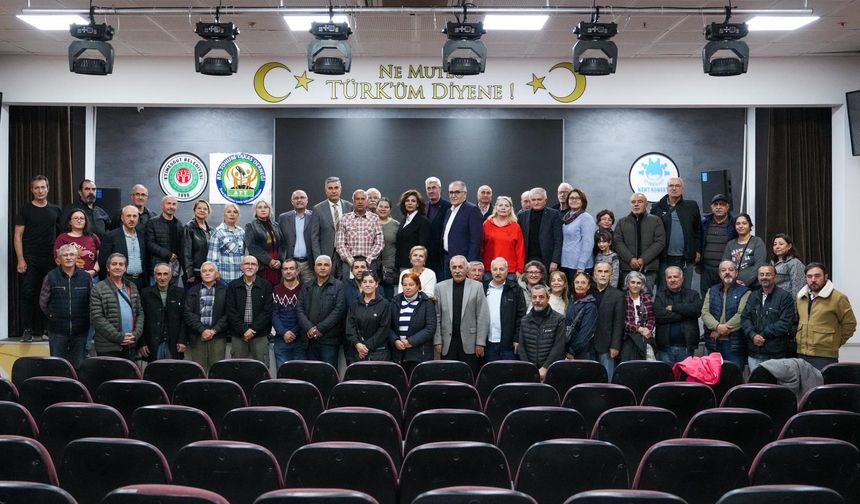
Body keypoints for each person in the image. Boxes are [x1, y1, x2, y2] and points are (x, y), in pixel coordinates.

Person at [15, 175, 62, 341]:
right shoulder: (25, 210)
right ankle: (27, 329)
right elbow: (18, 235)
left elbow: (62, 237)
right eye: (37, 188)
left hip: (50, 258)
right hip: (30, 258)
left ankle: (47, 329)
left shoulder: (56, 210)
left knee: (50, 294)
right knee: (28, 293)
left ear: (48, 189)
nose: (40, 191)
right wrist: (21, 259)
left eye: (43, 187)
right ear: (32, 190)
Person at [434, 255, 489, 376]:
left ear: (466, 269)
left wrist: (480, 342)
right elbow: (437, 316)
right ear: (450, 269)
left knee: (469, 376)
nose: (457, 270)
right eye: (454, 267)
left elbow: (482, 316)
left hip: (471, 342)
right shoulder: (440, 287)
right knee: (448, 376)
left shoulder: (477, 287)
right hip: (447, 342)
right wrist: (437, 340)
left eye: (460, 267)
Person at [795, 262, 857, 370]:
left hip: (825, 356)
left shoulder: (838, 298)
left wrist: (835, 342)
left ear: (826, 276)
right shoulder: (800, 297)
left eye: (817, 276)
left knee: (823, 386)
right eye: (809, 276)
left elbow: (850, 324)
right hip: (802, 353)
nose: (813, 279)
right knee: (805, 387)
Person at [39, 244, 91, 368]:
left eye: (72, 254)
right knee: (57, 367)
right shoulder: (51, 276)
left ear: (76, 257)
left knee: (79, 366)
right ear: (59, 259)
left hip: (80, 330)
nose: (68, 258)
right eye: (65, 255)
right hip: (57, 330)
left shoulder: (85, 277)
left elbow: (91, 301)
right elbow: (43, 302)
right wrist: (53, 315)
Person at [650, 177, 702, 289]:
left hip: (686, 258)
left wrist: (697, 250)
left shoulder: (691, 206)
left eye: (677, 186)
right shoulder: (656, 208)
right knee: (663, 290)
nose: (674, 188)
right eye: (671, 186)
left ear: (682, 189)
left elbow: (698, 230)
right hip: (664, 258)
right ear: (667, 189)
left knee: (685, 290)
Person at [741, 265, 796, 371]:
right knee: (756, 385)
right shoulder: (753, 296)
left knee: (776, 386)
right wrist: (753, 335)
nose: (764, 277)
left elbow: (785, 323)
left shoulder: (785, 297)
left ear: (775, 277)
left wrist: (762, 335)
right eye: (761, 275)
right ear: (758, 277)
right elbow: (745, 318)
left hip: (776, 354)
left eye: (768, 274)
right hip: (754, 353)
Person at [90, 253, 144, 360]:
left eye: (121, 264)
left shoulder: (132, 286)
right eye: (114, 264)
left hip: (130, 345)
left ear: (125, 268)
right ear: (108, 268)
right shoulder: (98, 288)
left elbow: (140, 313)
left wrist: (135, 334)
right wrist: (120, 337)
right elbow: (97, 318)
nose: (118, 267)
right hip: (108, 347)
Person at [297, 255, 346, 369]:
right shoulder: (307, 285)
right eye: (319, 265)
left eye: (326, 265)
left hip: (329, 340)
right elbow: (299, 308)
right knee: (312, 374)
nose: (322, 268)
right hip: (309, 339)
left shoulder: (338, 286)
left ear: (331, 268)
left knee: (329, 374)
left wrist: (319, 329)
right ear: (314, 268)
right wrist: (309, 327)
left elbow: (338, 311)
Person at [701, 260, 751, 370]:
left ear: (736, 273)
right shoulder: (711, 290)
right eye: (723, 270)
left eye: (731, 270)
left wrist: (719, 331)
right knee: (714, 378)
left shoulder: (745, 292)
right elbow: (705, 313)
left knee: (734, 378)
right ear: (719, 274)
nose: (727, 272)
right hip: (713, 344)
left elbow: (741, 315)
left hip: (735, 345)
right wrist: (717, 326)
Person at [225, 256, 273, 364]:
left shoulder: (266, 285)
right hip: (239, 334)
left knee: (262, 369)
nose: (250, 267)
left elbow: (267, 311)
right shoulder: (233, 286)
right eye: (247, 264)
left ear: (257, 268)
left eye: (253, 264)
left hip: (260, 334)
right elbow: (230, 311)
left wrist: (253, 330)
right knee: (237, 369)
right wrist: (244, 330)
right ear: (241, 267)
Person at [614, 192, 666, 291]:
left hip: (649, 268)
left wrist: (643, 259)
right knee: (627, 298)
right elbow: (617, 242)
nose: (636, 204)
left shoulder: (656, 221)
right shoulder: (622, 222)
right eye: (633, 202)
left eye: (640, 202)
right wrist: (630, 259)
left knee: (646, 297)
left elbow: (660, 242)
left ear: (646, 204)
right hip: (627, 268)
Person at [183, 261, 228, 371]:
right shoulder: (192, 291)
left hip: (217, 337)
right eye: (204, 271)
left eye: (210, 270)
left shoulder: (225, 290)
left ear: (216, 274)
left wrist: (213, 331)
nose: (207, 273)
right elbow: (187, 313)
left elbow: (228, 314)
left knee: (218, 371)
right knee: (199, 371)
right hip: (198, 336)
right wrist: (202, 330)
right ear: (200, 274)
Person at [653, 266, 703, 365]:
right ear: (666, 279)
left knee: (684, 379)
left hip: (686, 347)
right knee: (666, 378)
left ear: (682, 278)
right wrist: (686, 314)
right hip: (665, 348)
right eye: (669, 277)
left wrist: (674, 308)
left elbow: (696, 311)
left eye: (675, 277)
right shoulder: (660, 295)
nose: (672, 280)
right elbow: (659, 316)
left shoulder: (693, 295)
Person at [391, 272, 437, 375]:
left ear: (418, 286)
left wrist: (410, 342)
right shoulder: (395, 301)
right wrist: (395, 341)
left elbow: (430, 328)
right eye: (405, 285)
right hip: (398, 353)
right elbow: (388, 326)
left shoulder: (427, 302)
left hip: (420, 354)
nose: (407, 288)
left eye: (411, 285)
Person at [517, 284, 566, 381]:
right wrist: (529, 368)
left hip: (552, 370)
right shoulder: (525, 320)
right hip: (530, 372)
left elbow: (559, 347)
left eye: (541, 297)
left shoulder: (559, 319)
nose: (537, 300)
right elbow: (522, 347)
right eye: (534, 297)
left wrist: (545, 367)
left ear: (548, 298)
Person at [140, 262, 186, 361]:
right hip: (153, 342)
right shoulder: (145, 293)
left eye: (165, 274)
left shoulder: (180, 293)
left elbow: (184, 319)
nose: (162, 277)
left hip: (174, 343)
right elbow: (141, 319)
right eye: (159, 274)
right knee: (154, 373)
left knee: (174, 373)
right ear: (154, 276)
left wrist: (182, 340)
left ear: (170, 276)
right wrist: (142, 343)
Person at [336, 189, 384, 282]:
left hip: (369, 261)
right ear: (353, 201)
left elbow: (380, 243)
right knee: (348, 291)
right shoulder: (345, 218)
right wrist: (352, 262)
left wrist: (368, 261)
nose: (360, 201)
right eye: (357, 199)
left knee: (369, 290)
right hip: (349, 261)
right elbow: (340, 245)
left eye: (363, 199)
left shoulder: (374, 218)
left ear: (366, 201)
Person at [484, 257, 526, 362]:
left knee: (508, 375)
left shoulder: (515, 289)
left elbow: (521, 316)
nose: (498, 272)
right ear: (490, 270)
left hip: (509, 344)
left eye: (501, 269)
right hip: (488, 342)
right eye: (495, 269)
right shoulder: (483, 288)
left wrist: (517, 339)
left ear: (507, 271)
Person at [311, 176, 354, 278]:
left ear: (341, 189)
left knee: (346, 283)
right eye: (330, 188)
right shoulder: (318, 209)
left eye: (336, 187)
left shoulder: (350, 207)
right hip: (327, 254)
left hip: (347, 254)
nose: (333, 191)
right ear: (325, 190)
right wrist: (318, 259)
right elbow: (314, 237)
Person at [346, 271, 392, 363]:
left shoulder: (384, 304)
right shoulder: (354, 305)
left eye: (371, 282)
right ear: (361, 284)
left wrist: (366, 347)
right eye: (364, 282)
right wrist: (357, 344)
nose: (367, 285)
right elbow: (350, 327)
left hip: (379, 353)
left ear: (376, 284)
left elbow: (384, 329)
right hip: (357, 352)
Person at [99, 205, 148, 292]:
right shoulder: (111, 236)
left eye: (134, 216)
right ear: (122, 218)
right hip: (119, 282)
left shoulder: (143, 236)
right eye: (128, 216)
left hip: (141, 282)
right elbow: (103, 262)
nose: (132, 219)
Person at [441, 181, 483, 275]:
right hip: (448, 259)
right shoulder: (449, 211)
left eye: (457, 192)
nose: (453, 195)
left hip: (463, 262)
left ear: (465, 194)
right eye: (451, 192)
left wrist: (469, 263)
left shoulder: (472, 210)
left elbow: (476, 240)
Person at [591, 261, 625, 379]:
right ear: (595, 274)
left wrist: (615, 345)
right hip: (586, 344)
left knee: (607, 379)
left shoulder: (618, 295)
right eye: (600, 271)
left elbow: (618, 323)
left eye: (606, 272)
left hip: (606, 345)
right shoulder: (587, 291)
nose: (603, 275)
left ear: (611, 274)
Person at [700, 193, 737, 296]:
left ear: (727, 207)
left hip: (725, 270)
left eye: (722, 204)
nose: (718, 207)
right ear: (711, 207)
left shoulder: (734, 224)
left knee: (725, 296)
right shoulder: (704, 222)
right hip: (706, 269)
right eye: (715, 204)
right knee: (706, 297)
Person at [518, 187, 562, 274]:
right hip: (527, 259)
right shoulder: (522, 215)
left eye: (539, 199)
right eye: (533, 200)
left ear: (545, 200)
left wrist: (555, 261)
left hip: (547, 260)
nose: (536, 202)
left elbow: (558, 240)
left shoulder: (554, 214)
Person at [272, 258, 306, 368]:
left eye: (291, 268)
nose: (288, 271)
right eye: (285, 269)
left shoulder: (305, 289)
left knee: (300, 376)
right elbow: (274, 314)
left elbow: (307, 315)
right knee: (283, 376)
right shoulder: (276, 289)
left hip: (300, 338)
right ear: (281, 271)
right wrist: (284, 332)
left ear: (297, 271)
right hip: (281, 338)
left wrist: (294, 332)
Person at [482, 195, 524, 280]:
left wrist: (519, 270)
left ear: (510, 209)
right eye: (500, 205)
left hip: (510, 271)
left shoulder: (515, 226)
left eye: (506, 206)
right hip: (489, 269)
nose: (503, 208)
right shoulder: (487, 224)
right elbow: (481, 246)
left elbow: (520, 249)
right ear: (496, 207)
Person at [277, 189, 314, 284]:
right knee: (289, 291)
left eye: (302, 197)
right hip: (290, 263)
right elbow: (280, 241)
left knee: (309, 292)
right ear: (292, 201)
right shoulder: (283, 218)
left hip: (308, 264)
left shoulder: (314, 216)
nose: (299, 200)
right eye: (296, 198)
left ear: (307, 200)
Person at [560, 188, 597, 284]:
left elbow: (588, 243)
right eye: (571, 198)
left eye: (577, 198)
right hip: (566, 263)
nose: (574, 200)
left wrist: (581, 265)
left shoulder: (586, 217)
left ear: (583, 201)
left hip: (579, 265)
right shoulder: (567, 216)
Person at [723, 213, 767, 289]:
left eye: (744, 223)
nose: (741, 226)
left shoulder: (757, 242)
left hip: (753, 287)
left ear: (750, 226)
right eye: (738, 224)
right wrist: (732, 281)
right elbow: (724, 265)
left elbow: (759, 265)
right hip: (733, 286)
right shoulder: (730, 244)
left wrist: (744, 282)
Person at [620, 271, 657, 362]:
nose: (635, 286)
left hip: (645, 337)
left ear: (642, 285)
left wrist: (647, 330)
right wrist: (638, 329)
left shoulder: (647, 299)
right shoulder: (621, 298)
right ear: (627, 284)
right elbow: (621, 320)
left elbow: (652, 318)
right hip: (627, 337)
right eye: (632, 282)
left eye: (638, 283)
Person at [54, 208, 100, 280]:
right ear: (70, 222)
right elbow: (58, 260)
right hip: (69, 278)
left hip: (91, 277)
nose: (79, 220)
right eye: (75, 218)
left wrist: (94, 271)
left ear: (85, 221)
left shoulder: (93, 237)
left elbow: (100, 258)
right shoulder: (62, 238)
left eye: (82, 218)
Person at [245, 200, 284, 286]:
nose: (263, 209)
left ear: (269, 210)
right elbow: (251, 247)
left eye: (265, 207)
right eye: (260, 207)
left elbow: (282, 244)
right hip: (262, 265)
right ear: (255, 211)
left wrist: (280, 260)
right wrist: (269, 261)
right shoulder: (250, 226)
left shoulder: (276, 225)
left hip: (277, 265)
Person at [145, 196, 184, 282]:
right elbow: (150, 244)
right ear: (162, 206)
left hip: (174, 268)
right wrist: (168, 254)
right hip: (158, 267)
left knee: (173, 294)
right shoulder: (152, 222)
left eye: (174, 204)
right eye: (168, 203)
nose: (171, 206)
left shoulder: (179, 224)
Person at [207, 203, 246, 284]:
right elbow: (212, 257)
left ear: (238, 216)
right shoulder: (218, 231)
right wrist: (215, 273)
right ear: (224, 215)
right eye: (229, 212)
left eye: (235, 212)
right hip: (224, 278)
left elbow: (243, 254)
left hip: (239, 277)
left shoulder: (241, 232)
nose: (232, 214)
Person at [395, 189, 432, 272]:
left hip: (415, 266)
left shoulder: (423, 221)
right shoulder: (404, 220)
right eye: (407, 201)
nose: (410, 203)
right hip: (402, 264)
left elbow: (423, 246)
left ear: (418, 204)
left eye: (413, 201)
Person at [565, 272, 598, 361]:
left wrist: (572, 351)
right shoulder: (571, 299)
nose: (579, 285)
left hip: (582, 352)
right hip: (568, 348)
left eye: (583, 283)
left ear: (588, 286)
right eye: (577, 282)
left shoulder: (591, 306)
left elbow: (586, 332)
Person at [424, 176, 452, 274]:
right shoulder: (423, 207)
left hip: (441, 255)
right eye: (429, 188)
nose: (431, 191)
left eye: (434, 187)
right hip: (426, 255)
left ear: (439, 189)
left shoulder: (449, 206)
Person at [182, 199, 212, 286]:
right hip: (195, 273)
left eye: (205, 209)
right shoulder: (189, 228)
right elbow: (186, 252)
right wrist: (189, 273)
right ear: (194, 211)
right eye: (199, 208)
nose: (202, 210)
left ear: (208, 212)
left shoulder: (211, 230)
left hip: (208, 272)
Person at [375, 197, 400, 298]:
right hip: (373, 266)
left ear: (390, 209)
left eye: (386, 207)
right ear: (376, 208)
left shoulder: (396, 225)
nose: (383, 209)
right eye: (380, 206)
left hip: (390, 268)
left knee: (390, 297)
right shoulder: (370, 222)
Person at [772, 233, 805, 298]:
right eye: (775, 244)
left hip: (787, 302)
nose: (777, 247)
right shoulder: (772, 263)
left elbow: (798, 287)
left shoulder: (794, 263)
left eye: (781, 244)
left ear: (789, 246)